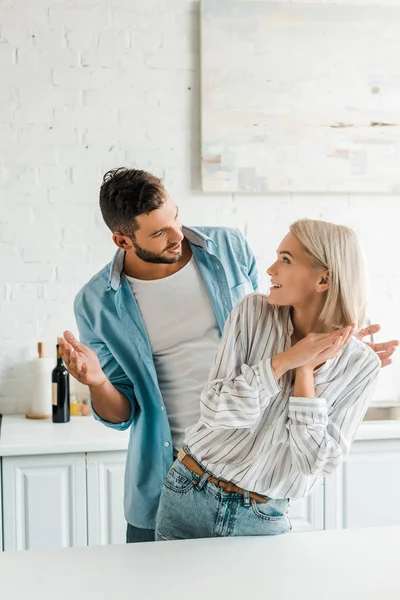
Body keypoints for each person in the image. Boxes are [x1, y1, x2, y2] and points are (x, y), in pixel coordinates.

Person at [58, 169, 397, 543]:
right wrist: (98, 382)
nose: (177, 236)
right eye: (158, 233)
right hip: (175, 473)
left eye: (175, 217)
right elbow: (122, 413)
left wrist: (337, 357)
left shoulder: (228, 247)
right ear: (122, 240)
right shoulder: (96, 302)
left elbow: (276, 328)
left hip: (254, 480)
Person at [155, 219, 392, 541]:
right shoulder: (252, 312)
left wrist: (305, 372)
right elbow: (216, 411)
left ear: (324, 279)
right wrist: (285, 361)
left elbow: (316, 461)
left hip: (263, 516)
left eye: (285, 259)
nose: (270, 269)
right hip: (189, 492)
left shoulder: (359, 363)